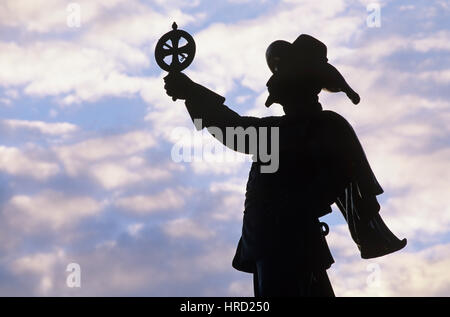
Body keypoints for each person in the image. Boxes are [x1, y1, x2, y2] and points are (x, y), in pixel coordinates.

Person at [163, 34, 406, 297]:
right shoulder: (286, 130)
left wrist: (191, 92)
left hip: (287, 242)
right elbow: (231, 128)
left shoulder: (315, 128)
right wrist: (191, 92)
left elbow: (232, 129)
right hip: (275, 242)